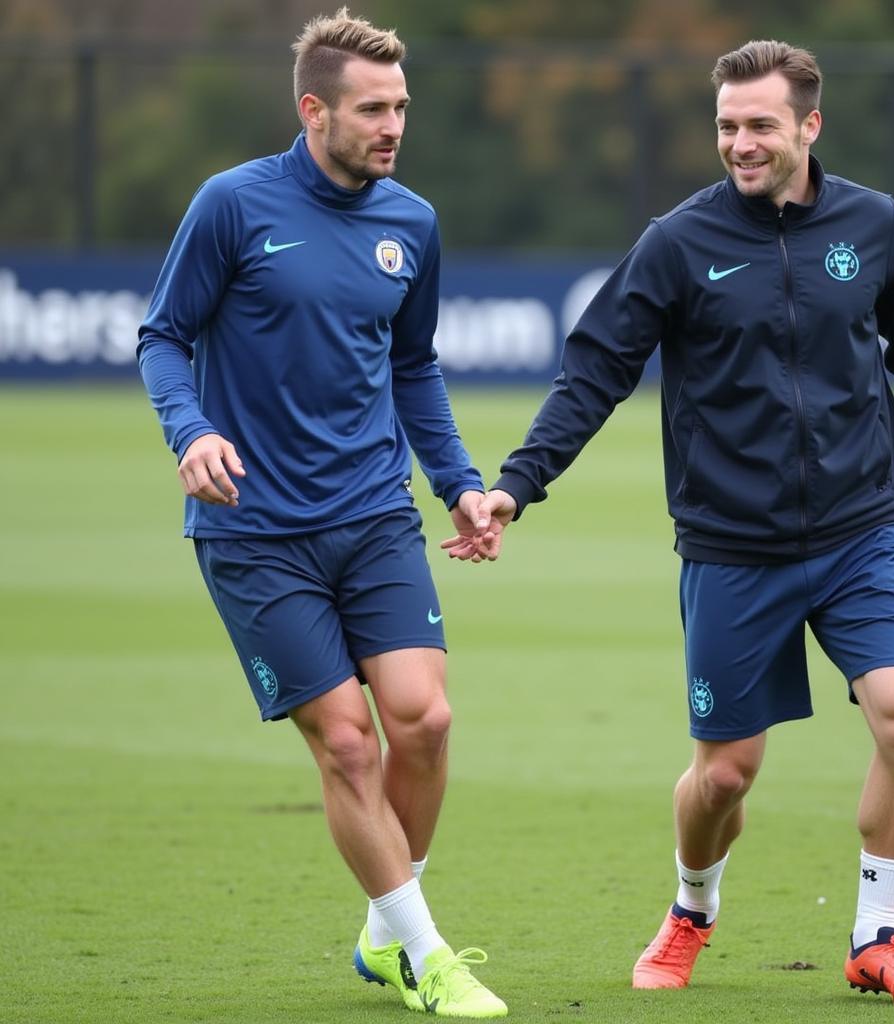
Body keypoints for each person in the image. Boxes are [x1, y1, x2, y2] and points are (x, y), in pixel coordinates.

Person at [455, 39, 894, 1010]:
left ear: (809, 127)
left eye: (759, 126)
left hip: (861, 529)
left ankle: (876, 937)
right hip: (732, 548)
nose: (739, 143)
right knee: (725, 777)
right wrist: (515, 486)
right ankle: (692, 906)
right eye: (726, 127)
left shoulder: (872, 225)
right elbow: (595, 371)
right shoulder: (678, 241)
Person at [137, 8, 506, 1019]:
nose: (393, 125)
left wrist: (459, 483)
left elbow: (413, 364)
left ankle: (386, 927)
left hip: (372, 512)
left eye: (401, 107)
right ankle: (427, 956)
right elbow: (163, 337)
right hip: (254, 528)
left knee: (422, 721)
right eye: (372, 108)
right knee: (348, 743)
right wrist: (190, 432)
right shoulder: (232, 204)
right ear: (314, 110)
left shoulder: (412, 223)